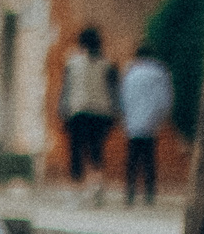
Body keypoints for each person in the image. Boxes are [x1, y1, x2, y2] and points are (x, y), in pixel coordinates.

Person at [60, 28, 118, 190]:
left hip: (78, 111)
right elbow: (113, 91)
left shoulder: (72, 62)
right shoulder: (107, 64)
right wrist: (115, 113)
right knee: (96, 150)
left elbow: (66, 89)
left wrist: (63, 111)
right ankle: (96, 184)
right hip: (101, 112)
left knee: (76, 150)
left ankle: (77, 186)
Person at [119, 47, 174, 207]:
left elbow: (123, 97)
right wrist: (161, 117)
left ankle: (130, 192)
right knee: (149, 158)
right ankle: (149, 192)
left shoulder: (130, 72)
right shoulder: (160, 72)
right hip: (151, 122)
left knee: (132, 158)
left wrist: (124, 116)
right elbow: (165, 99)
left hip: (132, 121)